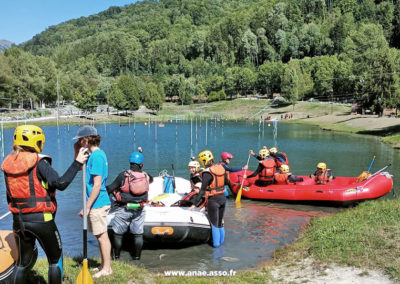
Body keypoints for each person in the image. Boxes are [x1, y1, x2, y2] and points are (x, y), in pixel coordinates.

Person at [1, 125, 88, 284]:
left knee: (22, 263)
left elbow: (10, 195)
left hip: (18, 221)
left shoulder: (8, 164)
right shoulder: (40, 162)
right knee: (55, 260)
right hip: (42, 221)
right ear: (37, 141)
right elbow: (60, 183)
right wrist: (77, 162)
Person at [75, 125, 112, 278]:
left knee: (102, 235)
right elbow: (78, 168)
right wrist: (76, 150)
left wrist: (87, 206)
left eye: (79, 140)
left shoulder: (97, 156)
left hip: (98, 202)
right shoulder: (92, 155)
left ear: (86, 139)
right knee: (99, 235)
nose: (78, 141)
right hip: (95, 202)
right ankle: (104, 265)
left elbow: (97, 185)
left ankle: (107, 269)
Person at [106, 151, 153, 260]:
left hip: (124, 208)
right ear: (141, 164)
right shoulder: (146, 176)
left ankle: (116, 258)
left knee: (118, 234)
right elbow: (152, 180)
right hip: (140, 209)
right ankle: (137, 258)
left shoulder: (124, 175)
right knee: (138, 234)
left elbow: (110, 188)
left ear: (130, 163)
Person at [191, 150, 228, 248]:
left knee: (214, 224)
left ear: (203, 161)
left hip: (213, 200)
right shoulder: (221, 168)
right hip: (223, 198)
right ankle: (222, 244)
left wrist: (194, 204)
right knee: (220, 223)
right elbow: (227, 182)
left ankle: (216, 247)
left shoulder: (207, 173)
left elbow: (202, 190)